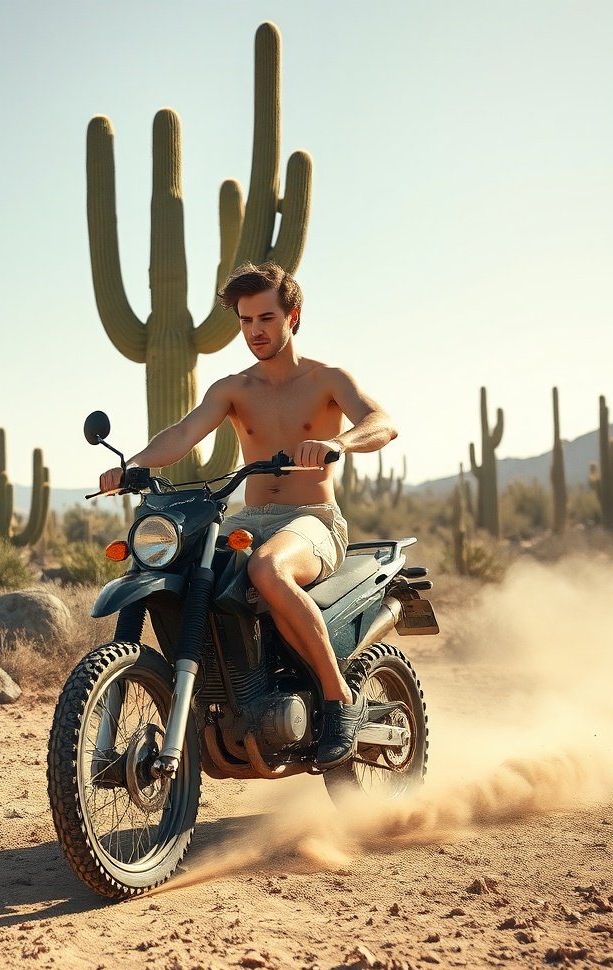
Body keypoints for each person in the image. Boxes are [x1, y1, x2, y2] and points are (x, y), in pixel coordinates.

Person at [99, 261, 398, 768]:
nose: (254, 331)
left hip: (313, 520)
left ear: (292, 316)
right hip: (250, 519)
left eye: (265, 318)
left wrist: (337, 442)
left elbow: (382, 422)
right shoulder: (234, 388)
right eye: (245, 321)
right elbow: (181, 434)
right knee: (178, 564)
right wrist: (131, 466)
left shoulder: (327, 379)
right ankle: (226, 695)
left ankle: (337, 697)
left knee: (266, 568)